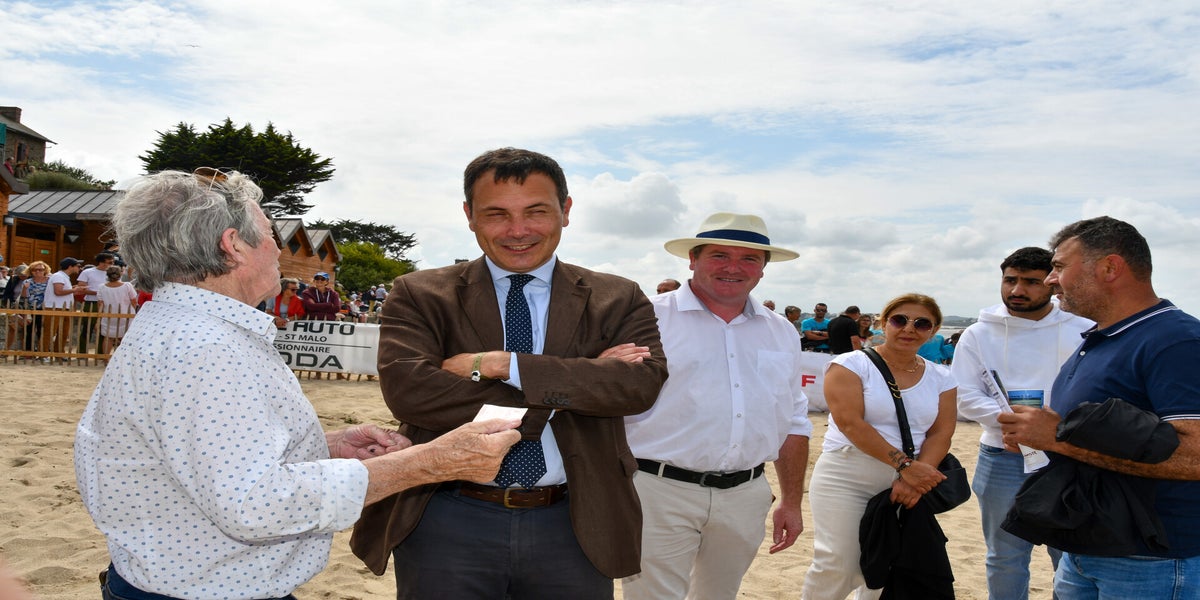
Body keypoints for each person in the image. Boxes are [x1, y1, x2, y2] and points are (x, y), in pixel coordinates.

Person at [74, 168, 521, 600]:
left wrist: (323, 446)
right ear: (233, 246)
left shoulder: (181, 327)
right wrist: (432, 462)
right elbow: (256, 506)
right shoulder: (206, 347)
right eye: (269, 233)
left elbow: (202, 454)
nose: (277, 247)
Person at [350, 147, 668, 599]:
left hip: (576, 523)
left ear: (566, 210)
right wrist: (577, 386)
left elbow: (639, 387)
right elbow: (411, 393)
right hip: (445, 519)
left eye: (536, 211)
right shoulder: (420, 293)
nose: (518, 230)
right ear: (469, 216)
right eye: (497, 214)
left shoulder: (617, 297)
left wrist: (503, 365)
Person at [999, 216, 1200, 599]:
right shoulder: (1105, 336)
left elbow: (1196, 455)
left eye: (1059, 267)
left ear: (1110, 267)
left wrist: (1057, 439)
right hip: (1089, 546)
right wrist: (1041, 435)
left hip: (1152, 559)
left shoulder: (1175, 341)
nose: (1050, 280)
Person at [622, 213, 811, 600]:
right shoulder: (644, 317)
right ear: (693, 259)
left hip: (746, 494)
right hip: (657, 490)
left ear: (763, 269)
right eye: (719, 255)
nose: (733, 267)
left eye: (749, 259)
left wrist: (791, 501)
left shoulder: (782, 331)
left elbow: (793, 419)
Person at [951, 246, 1092, 600]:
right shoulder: (978, 333)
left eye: (1030, 282)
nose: (1017, 290)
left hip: (1067, 454)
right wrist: (1015, 425)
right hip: (1002, 454)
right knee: (1005, 556)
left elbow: (1097, 390)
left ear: (1052, 283)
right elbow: (964, 395)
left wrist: (1053, 430)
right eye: (1010, 280)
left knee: (1070, 554)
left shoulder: (1084, 328)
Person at [801, 293, 958, 600]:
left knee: (885, 567)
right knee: (838, 564)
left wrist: (915, 478)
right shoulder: (850, 364)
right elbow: (850, 423)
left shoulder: (942, 376)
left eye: (921, 323)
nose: (909, 329)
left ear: (934, 331)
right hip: (847, 474)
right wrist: (906, 467)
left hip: (908, 481)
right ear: (883, 323)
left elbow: (941, 433)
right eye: (900, 320)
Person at [44, 257, 85, 359]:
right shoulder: (59, 276)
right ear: (70, 266)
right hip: (55, 308)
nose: (79, 268)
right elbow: (58, 292)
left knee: (63, 332)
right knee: (50, 332)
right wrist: (74, 290)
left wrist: (74, 290)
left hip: (64, 307)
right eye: (77, 266)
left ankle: (59, 353)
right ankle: (43, 353)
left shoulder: (64, 277)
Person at [76, 252, 117, 354]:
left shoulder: (112, 273)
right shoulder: (88, 272)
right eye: (110, 262)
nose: (112, 264)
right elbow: (81, 287)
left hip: (107, 303)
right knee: (87, 327)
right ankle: (81, 352)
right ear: (102, 262)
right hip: (92, 302)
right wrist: (98, 293)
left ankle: (101, 353)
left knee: (104, 329)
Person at [96, 265, 137, 355]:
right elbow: (133, 300)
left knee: (108, 337)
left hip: (109, 315)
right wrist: (134, 311)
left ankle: (105, 359)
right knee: (125, 337)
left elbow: (100, 303)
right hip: (126, 315)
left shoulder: (101, 287)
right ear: (120, 274)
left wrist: (99, 317)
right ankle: (123, 357)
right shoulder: (127, 285)